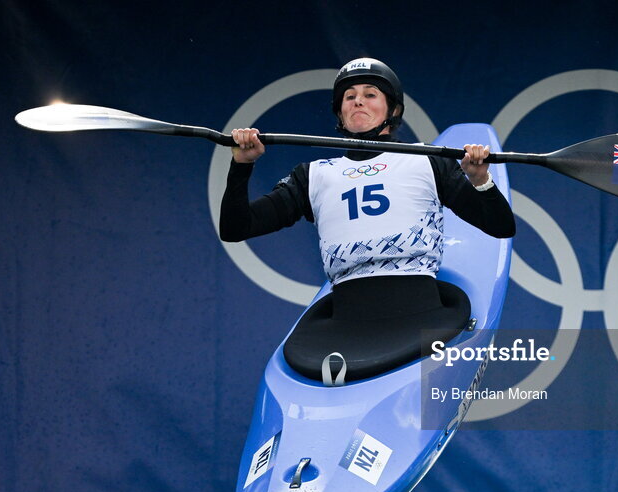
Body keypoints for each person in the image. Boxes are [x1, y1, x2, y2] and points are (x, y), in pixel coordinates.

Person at [219, 58, 515, 379]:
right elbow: (235, 228)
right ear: (341, 112)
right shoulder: (313, 175)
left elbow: (501, 226)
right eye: (349, 96)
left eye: (370, 93)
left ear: (394, 111)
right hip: (347, 327)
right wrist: (241, 165)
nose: (358, 99)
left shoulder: (429, 161)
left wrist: (481, 181)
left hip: (420, 318)